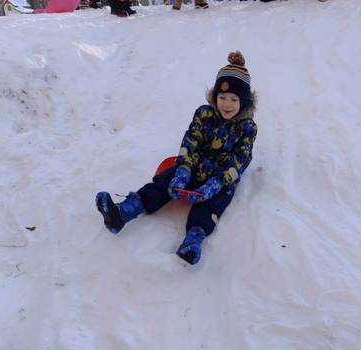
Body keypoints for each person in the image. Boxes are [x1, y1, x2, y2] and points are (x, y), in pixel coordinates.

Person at [95, 51, 258, 266]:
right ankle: (123, 212)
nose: (227, 104)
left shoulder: (247, 128)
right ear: (215, 96)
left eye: (234, 99)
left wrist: (217, 182)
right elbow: (192, 141)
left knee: (211, 206)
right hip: (193, 167)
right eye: (222, 97)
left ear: (244, 102)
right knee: (163, 181)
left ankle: (193, 241)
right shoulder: (204, 114)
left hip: (220, 180)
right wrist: (183, 171)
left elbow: (240, 159)